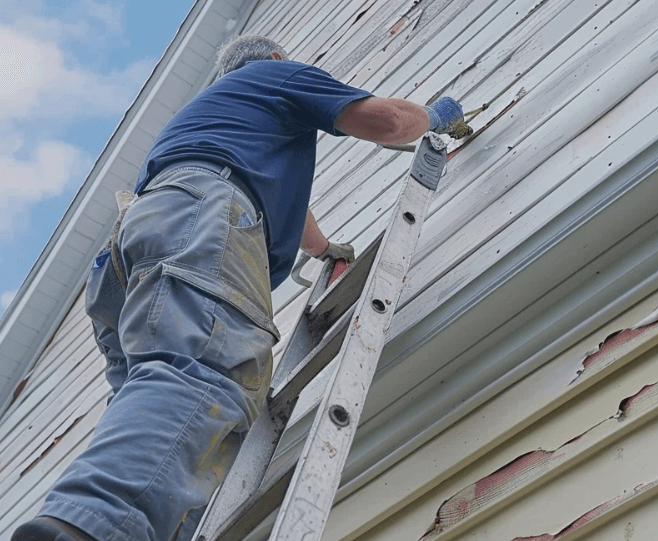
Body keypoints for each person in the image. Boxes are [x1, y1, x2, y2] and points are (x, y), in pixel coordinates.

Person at [12, 34, 464, 541]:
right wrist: (437, 115)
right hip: (197, 220)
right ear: (274, 59)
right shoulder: (273, 77)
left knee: (175, 419)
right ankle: (81, 529)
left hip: (134, 254)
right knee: (200, 376)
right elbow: (385, 122)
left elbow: (292, 215)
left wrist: (323, 252)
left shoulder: (223, 118)